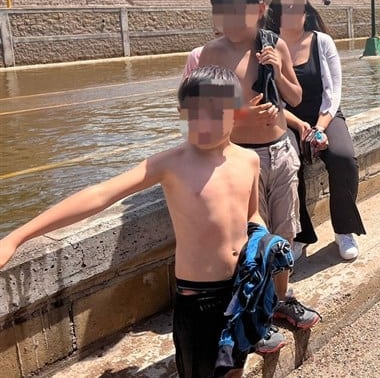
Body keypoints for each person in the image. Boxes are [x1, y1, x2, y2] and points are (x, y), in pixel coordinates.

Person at [0, 66, 278, 377]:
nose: (206, 123)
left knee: (234, 366)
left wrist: (262, 243)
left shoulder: (249, 160)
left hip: (240, 288)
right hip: (197, 300)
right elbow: (100, 194)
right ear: (181, 112)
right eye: (196, 113)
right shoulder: (170, 165)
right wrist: (17, 236)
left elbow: (252, 213)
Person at [197, 0, 321, 334]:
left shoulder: (275, 45)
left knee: (283, 233)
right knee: (252, 237)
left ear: (260, 10)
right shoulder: (213, 53)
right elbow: (205, 112)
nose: (233, 21)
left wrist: (277, 72)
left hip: (280, 152)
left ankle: (281, 300)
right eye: (224, 13)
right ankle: (257, 309)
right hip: (239, 157)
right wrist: (243, 114)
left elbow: (295, 98)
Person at [263, 0, 366, 261]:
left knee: (344, 158)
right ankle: (299, 235)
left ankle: (344, 230)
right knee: (287, 162)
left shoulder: (323, 42)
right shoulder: (269, 48)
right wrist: (298, 125)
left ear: (307, 13)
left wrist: (320, 127)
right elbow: (270, 95)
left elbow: (333, 91)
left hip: (325, 114)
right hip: (288, 118)